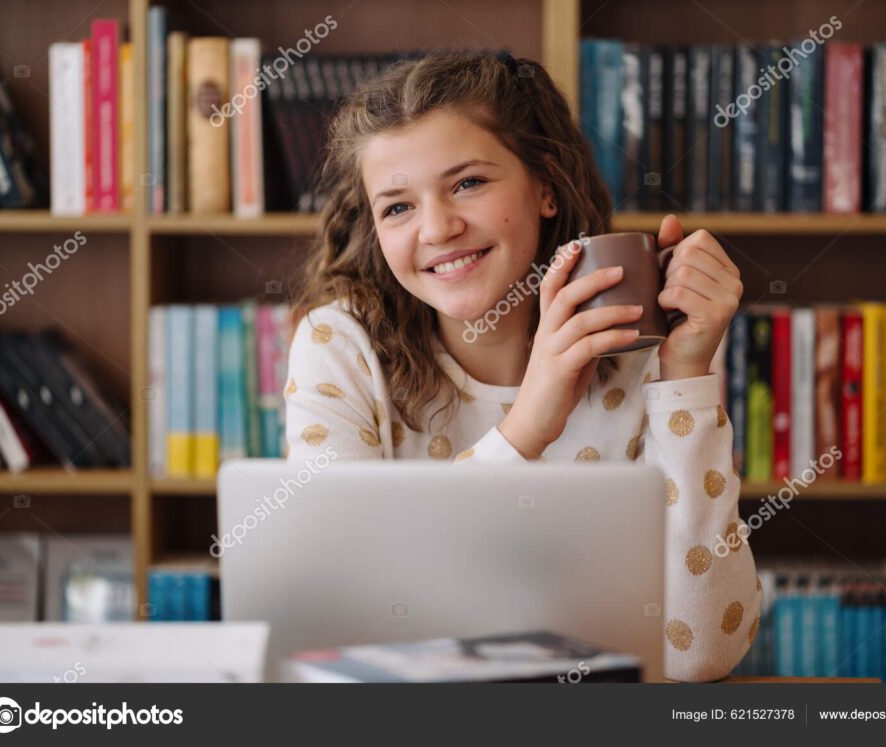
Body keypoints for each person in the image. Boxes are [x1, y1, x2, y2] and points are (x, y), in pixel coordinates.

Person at [283, 50, 759, 682]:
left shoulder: (642, 352)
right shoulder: (339, 345)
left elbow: (698, 652)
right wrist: (525, 428)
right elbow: (348, 622)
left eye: (468, 183)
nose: (439, 227)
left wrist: (689, 374)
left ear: (546, 187)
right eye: (397, 206)